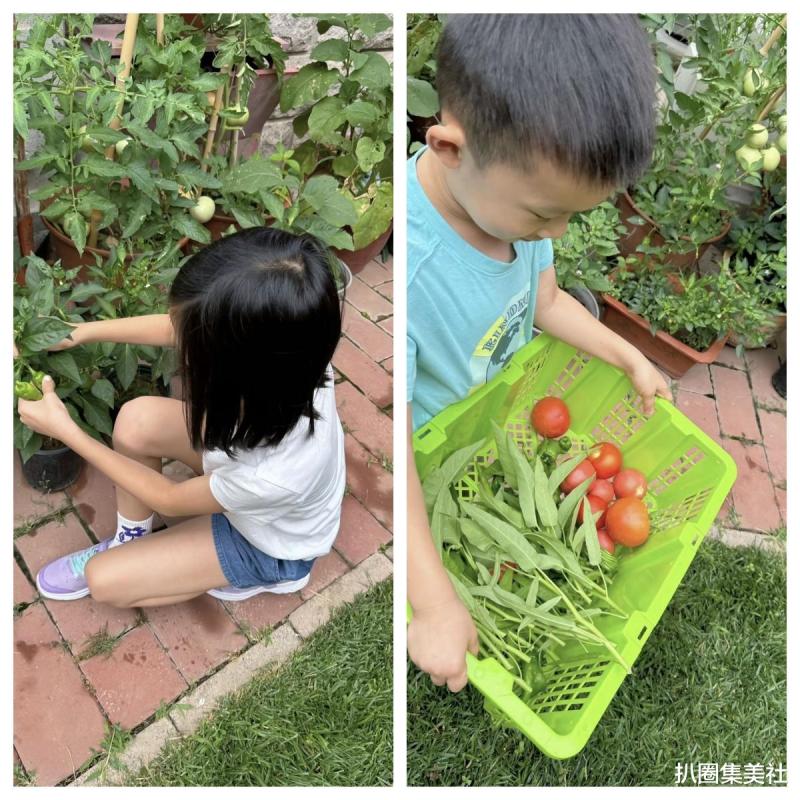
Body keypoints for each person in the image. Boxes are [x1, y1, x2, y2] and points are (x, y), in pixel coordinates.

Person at [407, 14, 671, 692]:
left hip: (495, 420)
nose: (552, 233)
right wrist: (435, 603)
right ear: (448, 147)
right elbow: (393, 448)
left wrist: (627, 357)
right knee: (450, 557)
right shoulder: (414, 270)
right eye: (542, 216)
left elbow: (547, 301)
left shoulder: (512, 204)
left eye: (569, 218)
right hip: (434, 450)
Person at [18, 228, 346, 607]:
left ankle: (255, 573)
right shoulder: (293, 349)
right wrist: (77, 332)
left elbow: (170, 499)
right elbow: (183, 327)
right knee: (137, 420)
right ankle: (133, 538)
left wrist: (67, 431)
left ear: (239, 363)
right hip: (251, 463)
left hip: (270, 542)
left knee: (105, 581)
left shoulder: (278, 474)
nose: (186, 356)